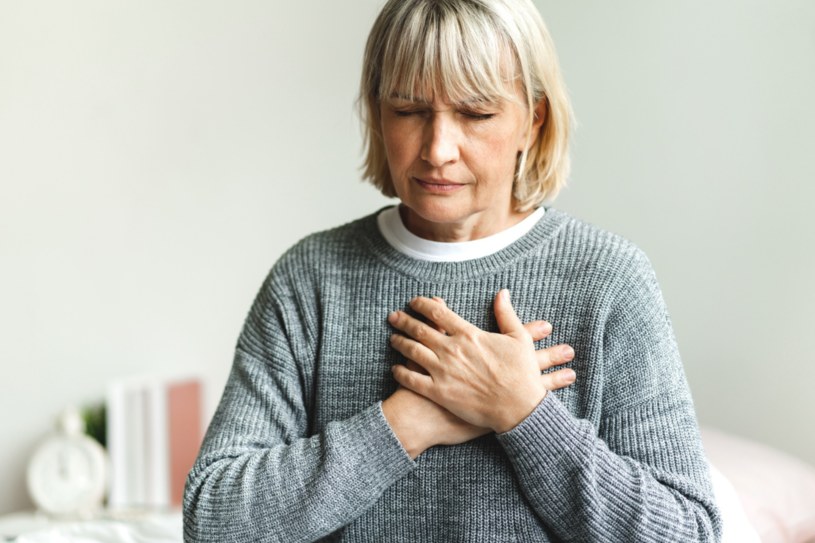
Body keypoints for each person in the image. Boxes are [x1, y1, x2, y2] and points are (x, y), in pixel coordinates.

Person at [183, 0, 722, 541]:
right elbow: (212, 521)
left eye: (476, 114)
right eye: (409, 111)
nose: (438, 150)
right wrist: (406, 424)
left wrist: (522, 412)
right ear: (377, 112)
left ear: (532, 121)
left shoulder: (609, 280)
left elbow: (688, 532)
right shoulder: (311, 279)